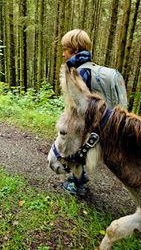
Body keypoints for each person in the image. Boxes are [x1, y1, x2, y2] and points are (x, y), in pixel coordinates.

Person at [60, 29, 94, 196]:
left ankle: (77, 184)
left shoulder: (80, 71)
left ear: (74, 49)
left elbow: (81, 101)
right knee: (80, 152)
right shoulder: (89, 67)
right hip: (91, 121)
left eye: (65, 49)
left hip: (83, 122)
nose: (63, 54)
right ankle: (80, 179)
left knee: (76, 151)